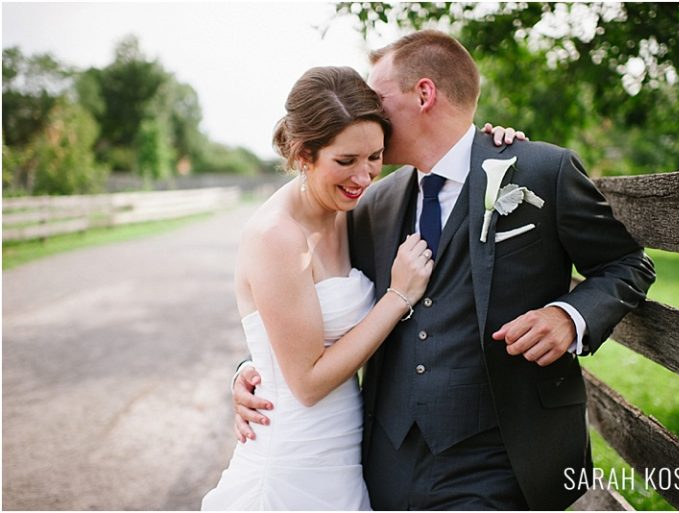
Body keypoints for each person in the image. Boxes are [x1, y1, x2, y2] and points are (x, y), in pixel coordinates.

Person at [233, 30, 656, 510]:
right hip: (386, 460)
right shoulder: (373, 204)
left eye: (377, 96)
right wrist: (252, 370)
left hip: (505, 454)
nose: (367, 109)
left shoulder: (540, 172)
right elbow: (297, 302)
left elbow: (628, 263)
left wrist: (570, 316)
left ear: (424, 93)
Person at [202, 66, 520, 510]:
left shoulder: (350, 212)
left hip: (346, 454)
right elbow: (307, 382)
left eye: (374, 156)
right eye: (345, 161)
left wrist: (482, 145)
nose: (364, 176)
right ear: (302, 155)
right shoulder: (277, 236)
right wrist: (398, 296)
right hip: (295, 461)